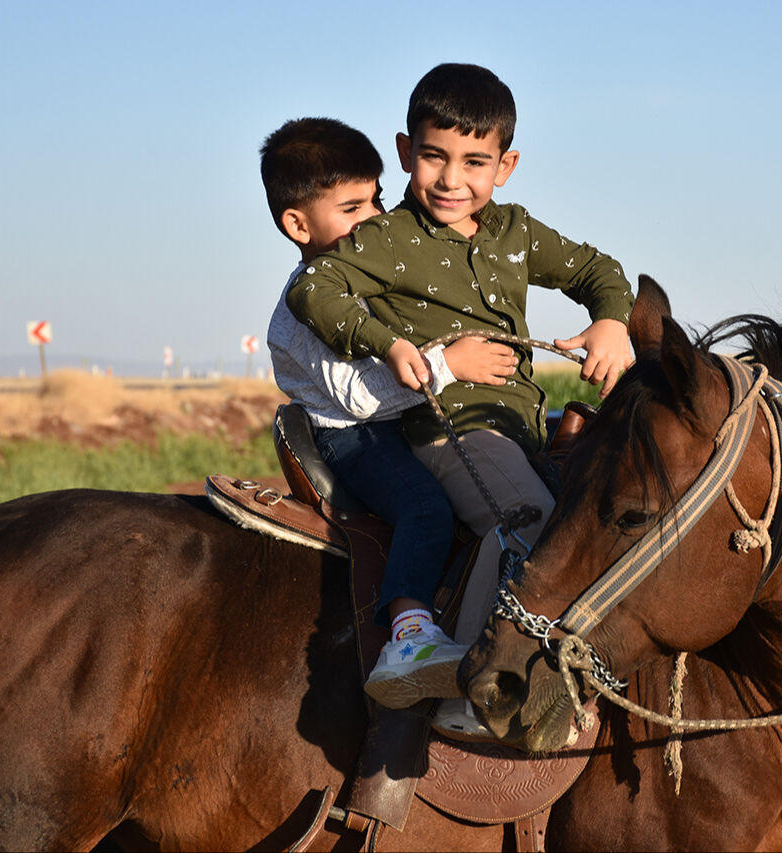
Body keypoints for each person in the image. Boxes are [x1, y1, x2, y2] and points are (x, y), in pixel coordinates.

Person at [285, 65, 635, 735]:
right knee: (530, 523)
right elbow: (315, 290)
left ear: (505, 165)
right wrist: (389, 343)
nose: (451, 179)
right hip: (448, 428)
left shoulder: (515, 232)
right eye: (434, 157)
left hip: (520, 427)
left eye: (475, 161)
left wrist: (611, 321)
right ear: (405, 152)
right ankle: (474, 690)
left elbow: (597, 271)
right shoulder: (389, 240)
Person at [260, 117, 520, 711]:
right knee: (424, 506)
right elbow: (359, 398)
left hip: (394, 420)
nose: (374, 217)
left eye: (376, 198)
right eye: (352, 207)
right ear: (298, 224)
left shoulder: (367, 277)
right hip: (356, 437)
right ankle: (409, 633)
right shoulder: (311, 303)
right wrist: (451, 367)